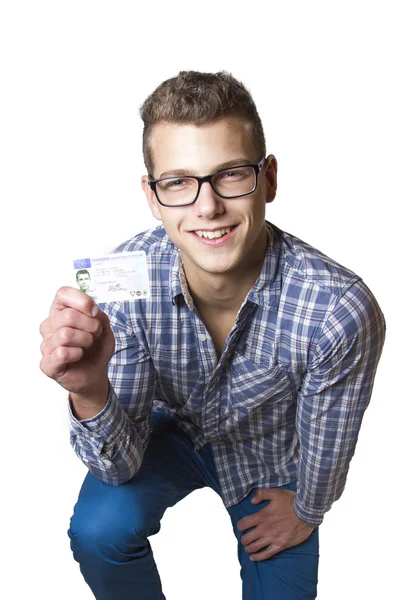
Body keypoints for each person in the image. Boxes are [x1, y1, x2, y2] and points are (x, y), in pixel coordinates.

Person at [39, 71, 386, 600]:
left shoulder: (338, 309)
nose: (207, 207)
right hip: (167, 432)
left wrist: (308, 508)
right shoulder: (123, 284)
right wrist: (88, 390)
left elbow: (328, 442)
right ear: (152, 197)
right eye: (178, 181)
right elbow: (118, 467)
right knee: (98, 529)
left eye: (229, 175)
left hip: (271, 457)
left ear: (268, 178)